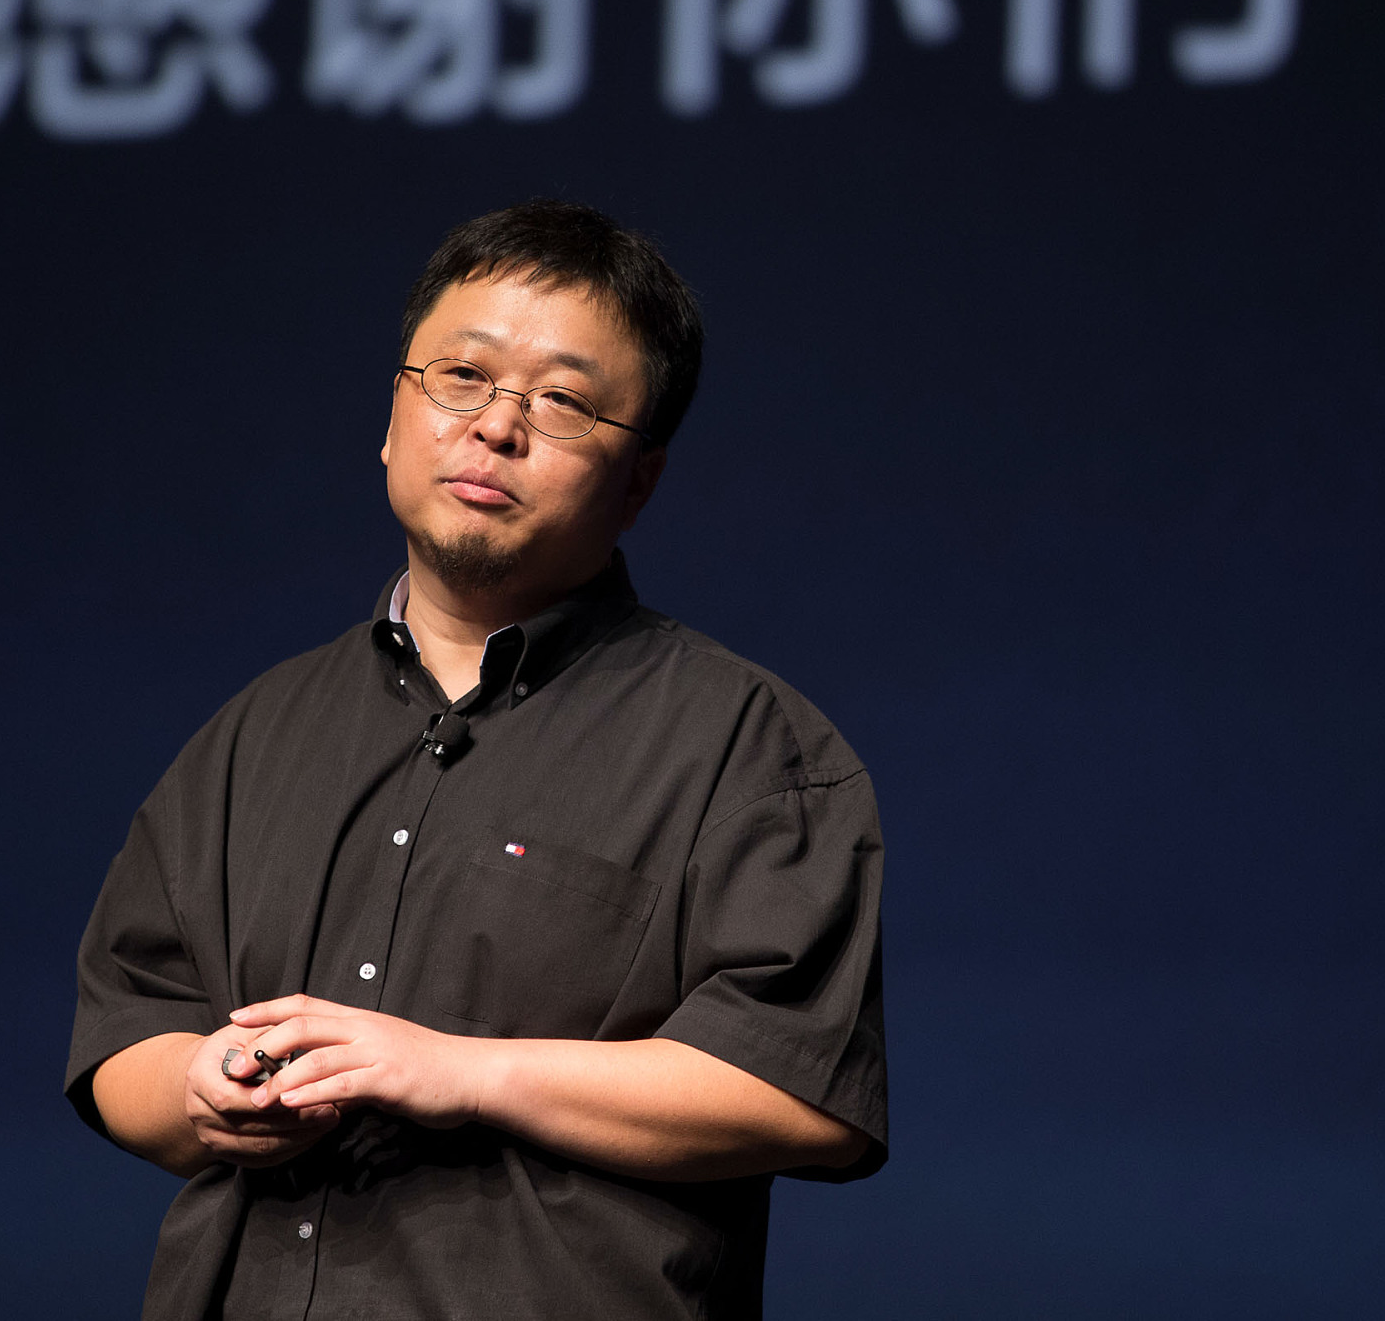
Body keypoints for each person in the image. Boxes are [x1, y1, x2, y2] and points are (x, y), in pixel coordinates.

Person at [67, 199, 887, 1321]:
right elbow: (128, 1029)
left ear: (639, 479)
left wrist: (461, 1070)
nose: (497, 426)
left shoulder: (748, 744)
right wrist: (198, 1091)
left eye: (562, 402)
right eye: (461, 376)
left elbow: (799, 1090)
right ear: (393, 416)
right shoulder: (254, 732)